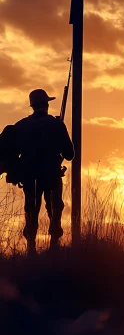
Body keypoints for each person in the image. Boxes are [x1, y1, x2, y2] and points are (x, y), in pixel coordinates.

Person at [12, 89, 74, 254]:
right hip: (51, 175)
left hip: (29, 176)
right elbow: (70, 154)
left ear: (32, 106)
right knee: (55, 208)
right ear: (46, 104)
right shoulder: (56, 124)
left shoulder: (21, 126)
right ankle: (54, 246)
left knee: (31, 209)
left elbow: (14, 152)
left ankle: (31, 249)